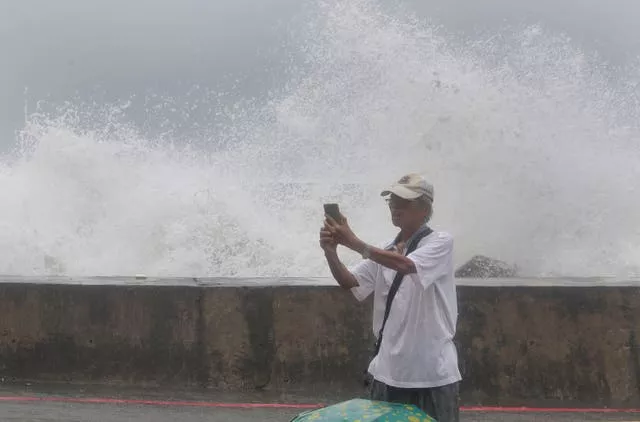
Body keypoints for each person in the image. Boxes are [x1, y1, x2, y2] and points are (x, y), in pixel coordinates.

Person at [319, 173, 461, 422]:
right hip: (386, 373)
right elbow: (350, 282)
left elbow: (407, 265)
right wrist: (331, 252)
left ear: (425, 208)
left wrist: (354, 243)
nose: (395, 207)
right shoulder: (385, 249)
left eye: (404, 202)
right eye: (392, 201)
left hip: (432, 374)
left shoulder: (440, 242)